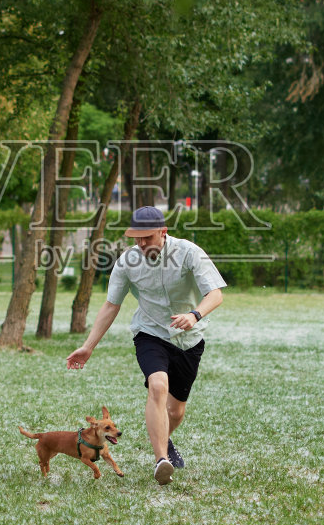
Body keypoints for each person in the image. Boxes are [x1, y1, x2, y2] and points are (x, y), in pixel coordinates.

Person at [65, 205, 225, 485]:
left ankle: (165, 438)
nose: (140, 244)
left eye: (146, 237)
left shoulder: (188, 252)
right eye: (135, 238)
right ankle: (161, 460)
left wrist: (194, 314)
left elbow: (215, 293)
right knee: (158, 385)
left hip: (190, 337)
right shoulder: (127, 261)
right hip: (150, 333)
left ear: (163, 232)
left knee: (176, 412)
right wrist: (88, 346)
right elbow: (111, 304)